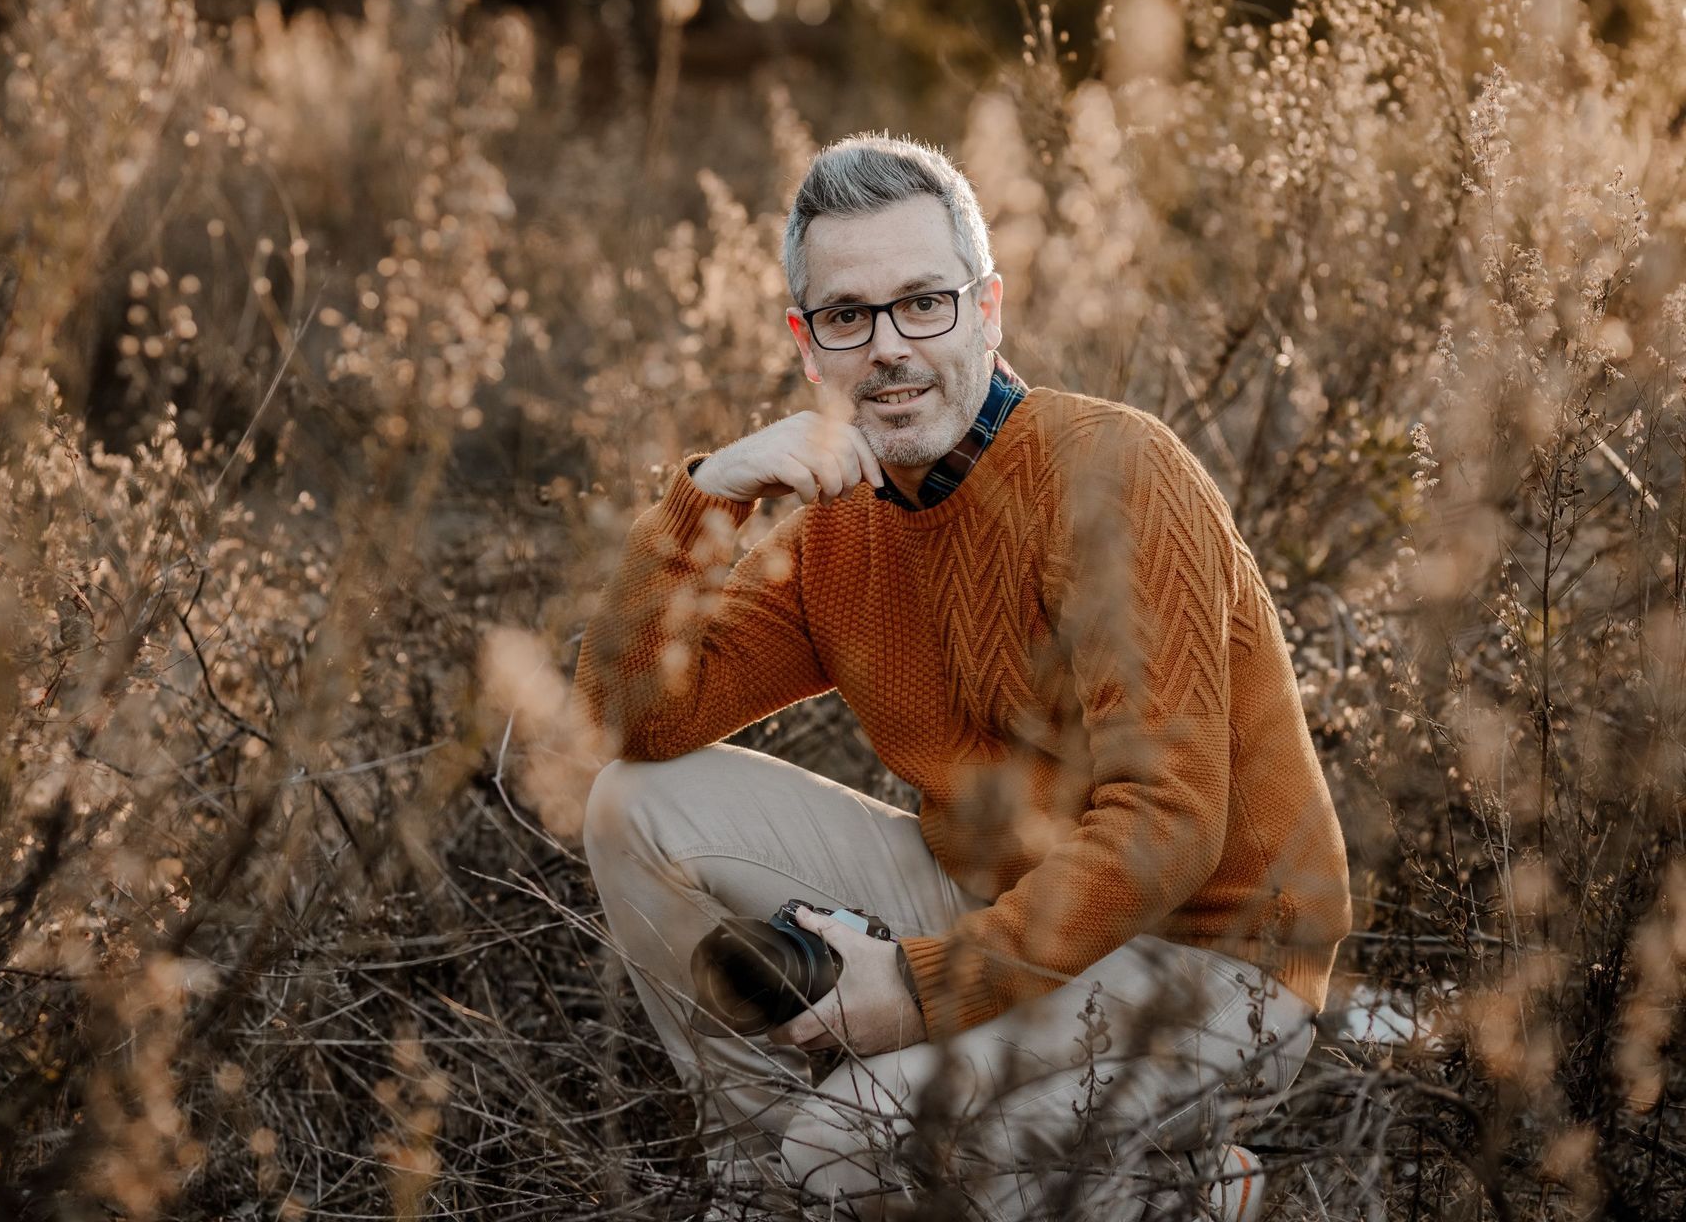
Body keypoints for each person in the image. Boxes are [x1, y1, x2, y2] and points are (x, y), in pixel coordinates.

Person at [570, 133, 1352, 1220]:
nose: (889, 346)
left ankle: (1183, 1191)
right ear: (809, 347)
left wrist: (919, 990)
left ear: (987, 308)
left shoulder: (1113, 470)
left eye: (923, 303)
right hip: (1002, 899)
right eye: (848, 314)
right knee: (634, 803)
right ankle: (758, 1186)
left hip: (1216, 961)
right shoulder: (840, 526)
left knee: (849, 1136)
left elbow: (1169, 823)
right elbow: (628, 719)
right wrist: (706, 495)